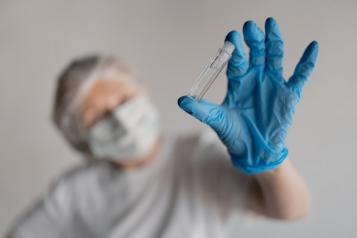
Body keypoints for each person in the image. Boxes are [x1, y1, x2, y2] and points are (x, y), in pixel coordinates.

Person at [6, 18, 319, 238]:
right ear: (80, 140)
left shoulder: (198, 156)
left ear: (142, 91)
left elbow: (292, 210)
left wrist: (268, 162)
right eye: (97, 116)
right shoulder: (74, 191)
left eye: (124, 99)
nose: (121, 118)